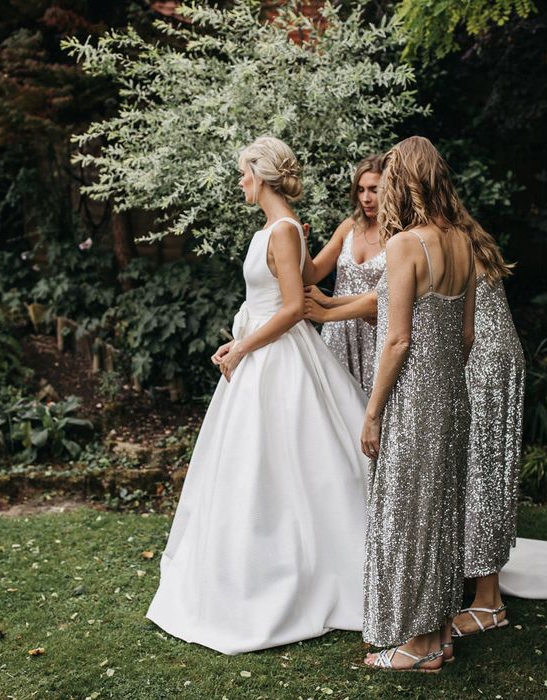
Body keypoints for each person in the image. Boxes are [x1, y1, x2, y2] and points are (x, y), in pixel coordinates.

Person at [146, 136, 370, 655]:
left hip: (279, 360)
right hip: (261, 355)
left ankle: (305, 570)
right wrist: (241, 342)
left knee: (294, 462)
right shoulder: (276, 230)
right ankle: (243, 566)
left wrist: (243, 347)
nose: (240, 181)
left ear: (263, 176)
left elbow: (293, 307)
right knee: (250, 466)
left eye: (244, 173)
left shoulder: (285, 230)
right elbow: (285, 289)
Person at [360, 136, 476, 673]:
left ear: (404, 181)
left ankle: (416, 644)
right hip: (453, 396)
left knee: (409, 514)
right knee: (441, 515)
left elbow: (398, 340)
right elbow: (468, 336)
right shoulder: (463, 242)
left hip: (413, 398)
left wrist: (374, 411)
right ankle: (439, 636)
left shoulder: (408, 244)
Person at [450, 230, 524, 638]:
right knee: (480, 473)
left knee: (482, 475)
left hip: (483, 364)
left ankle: (488, 602)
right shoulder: (465, 234)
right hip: (496, 358)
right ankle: (476, 583)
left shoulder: (446, 241)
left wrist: (326, 309)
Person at [301, 156, 386, 395]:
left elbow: (387, 295)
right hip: (337, 328)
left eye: (373, 190)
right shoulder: (349, 227)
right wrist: (301, 246)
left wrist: (327, 305)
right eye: (360, 190)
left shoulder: (400, 235)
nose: (365, 198)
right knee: (335, 404)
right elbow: (312, 274)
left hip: (375, 332)